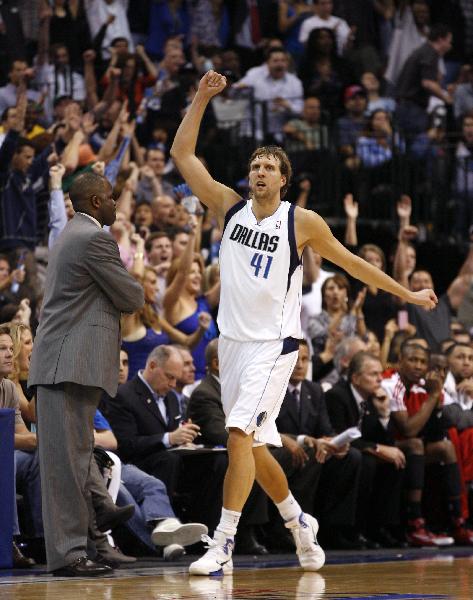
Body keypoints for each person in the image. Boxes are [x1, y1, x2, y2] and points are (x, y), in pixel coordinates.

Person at [170, 69, 436, 577]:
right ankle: (298, 524)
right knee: (254, 444)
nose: (260, 171)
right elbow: (184, 156)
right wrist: (201, 98)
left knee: (236, 434)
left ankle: (223, 542)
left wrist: (406, 293)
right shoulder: (229, 207)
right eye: (255, 164)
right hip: (233, 343)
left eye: (269, 166)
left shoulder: (301, 222)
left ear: (283, 179)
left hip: (276, 345)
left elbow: (354, 264)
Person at [28, 171, 145, 576]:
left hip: (66, 365)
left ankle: (83, 546)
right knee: (64, 467)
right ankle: (69, 555)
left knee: (74, 462)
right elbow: (132, 295)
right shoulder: (94, 238)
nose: (116, 204)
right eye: (111, 198)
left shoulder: (73, 236)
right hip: (67, 365)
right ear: (96, 202)